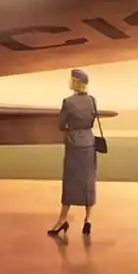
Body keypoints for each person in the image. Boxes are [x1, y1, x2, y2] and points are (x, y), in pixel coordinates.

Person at [50, 69, 99, 237]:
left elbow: (61, 124)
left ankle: (62, 220)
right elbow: (91, 121)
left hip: (74, 144)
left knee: (70, 182)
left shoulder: (68, 102)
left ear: (75, 82)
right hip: (89, 143)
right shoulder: (92, 100)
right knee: (88, 181)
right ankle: (88, 220)